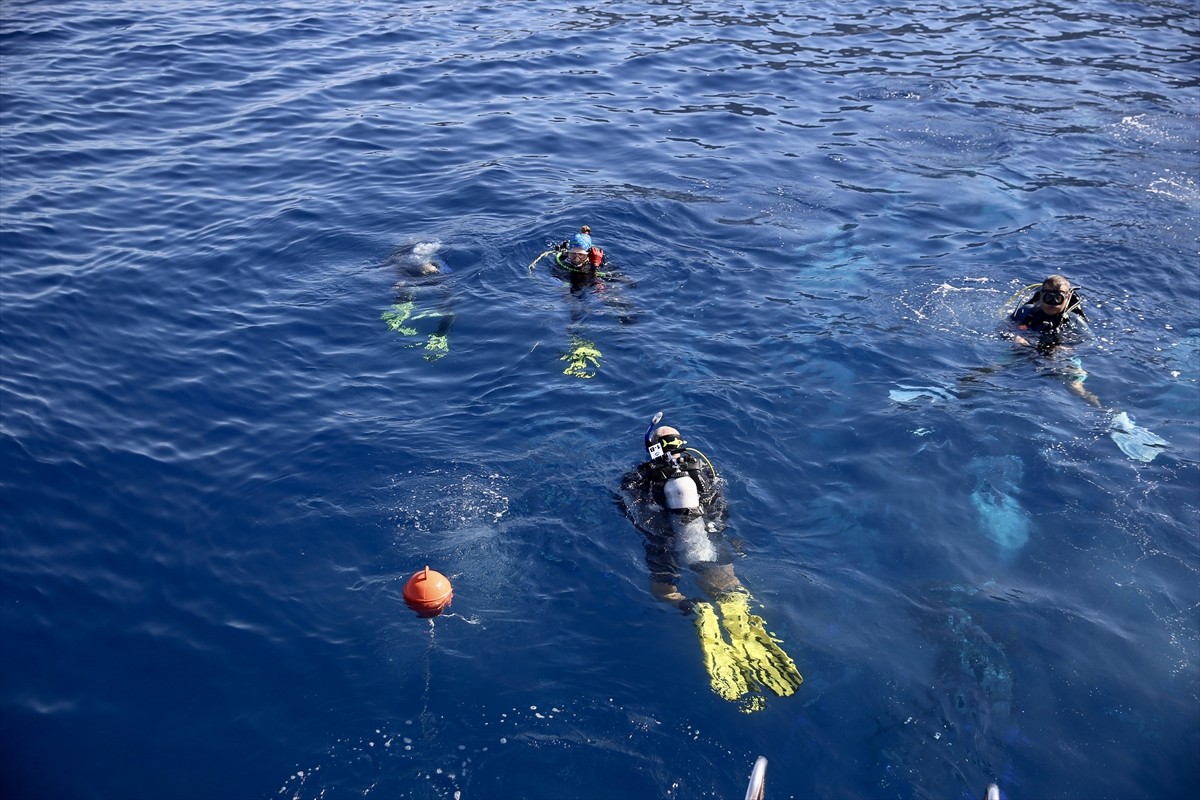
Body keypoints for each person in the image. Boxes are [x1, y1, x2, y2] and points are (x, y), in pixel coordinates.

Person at [618, 414, 802, 712]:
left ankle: (696, 609)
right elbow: (720, 509)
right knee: (725, 583)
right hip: (706, 536)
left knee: (662, 590)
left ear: (651, 448)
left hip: (663, 539)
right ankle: (735, 605)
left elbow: (631, 509)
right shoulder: (701, 468)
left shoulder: (638, 476)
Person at [1008, 274, 1100, 406]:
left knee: (1076, 387)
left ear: (1067, 297)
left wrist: (1070, 348)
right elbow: (1002, 328)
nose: (1052, 303)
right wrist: (1014, 337)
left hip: (1061, 355)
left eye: (1058, 298)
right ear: (1041, 296)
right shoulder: (1026, 312)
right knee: (996, 367)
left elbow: (1090, 342)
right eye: (1048, 297)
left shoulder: (1074, 321)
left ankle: (1102, 410)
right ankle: (971, 383)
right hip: (1026, 348)